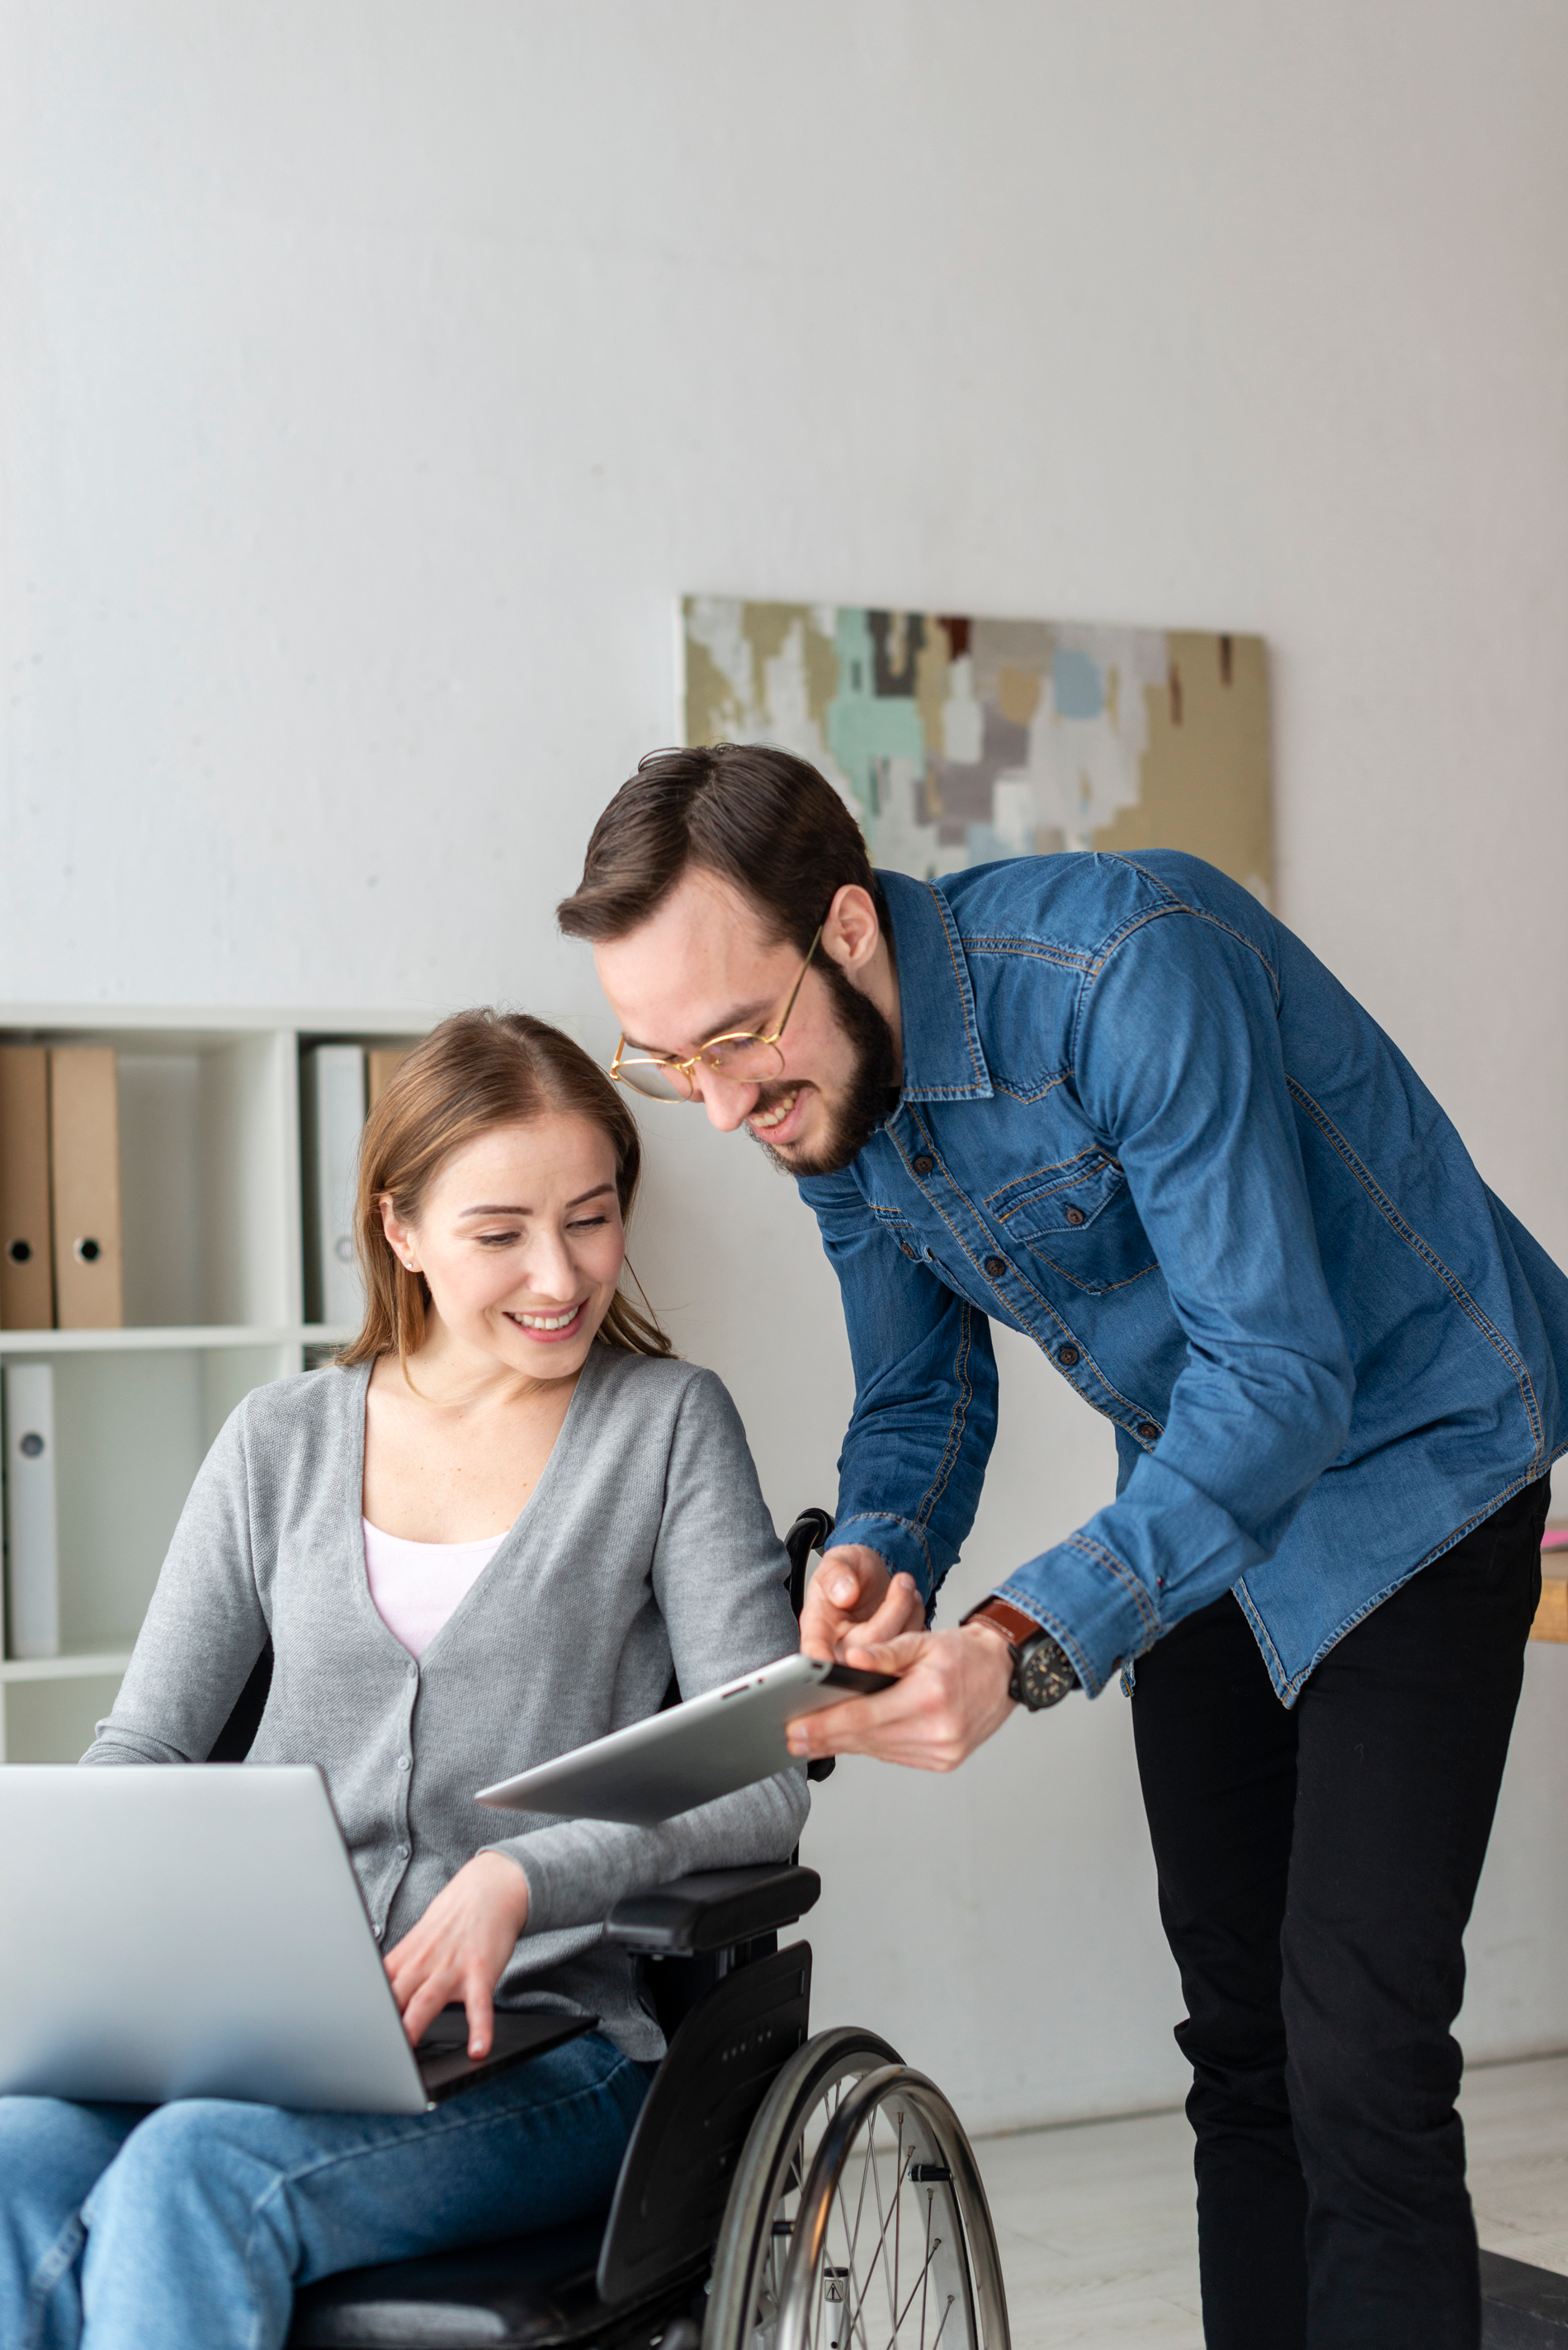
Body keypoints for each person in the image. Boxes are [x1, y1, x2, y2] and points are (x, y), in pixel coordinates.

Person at [560, 741, 1568, 2350]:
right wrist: (878, 1554)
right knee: (1240, 2041)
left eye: (737, 1037)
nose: (726, 1104)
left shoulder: (1123, 969)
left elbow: (1278, 1373)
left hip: (1417, 1459)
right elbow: (919, 1393)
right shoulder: (824, 1098)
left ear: (844, 928)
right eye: (669, 1062)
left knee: (1360, 2049)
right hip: (1200, 1483)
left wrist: (1017, 1641)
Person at [0, 1008, 805, 2350]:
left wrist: (524, 1876)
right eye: (500, 1233)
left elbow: (762, 1777)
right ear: (402, 1229)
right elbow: (144, 1747)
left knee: (194, 2176)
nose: (559, 1274)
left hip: (548, 2044)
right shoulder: (277, 1440)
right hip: (261, 2032)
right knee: (12, 2156)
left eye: (592, 1218)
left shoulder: (666, 1428)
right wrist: (77, 1931)